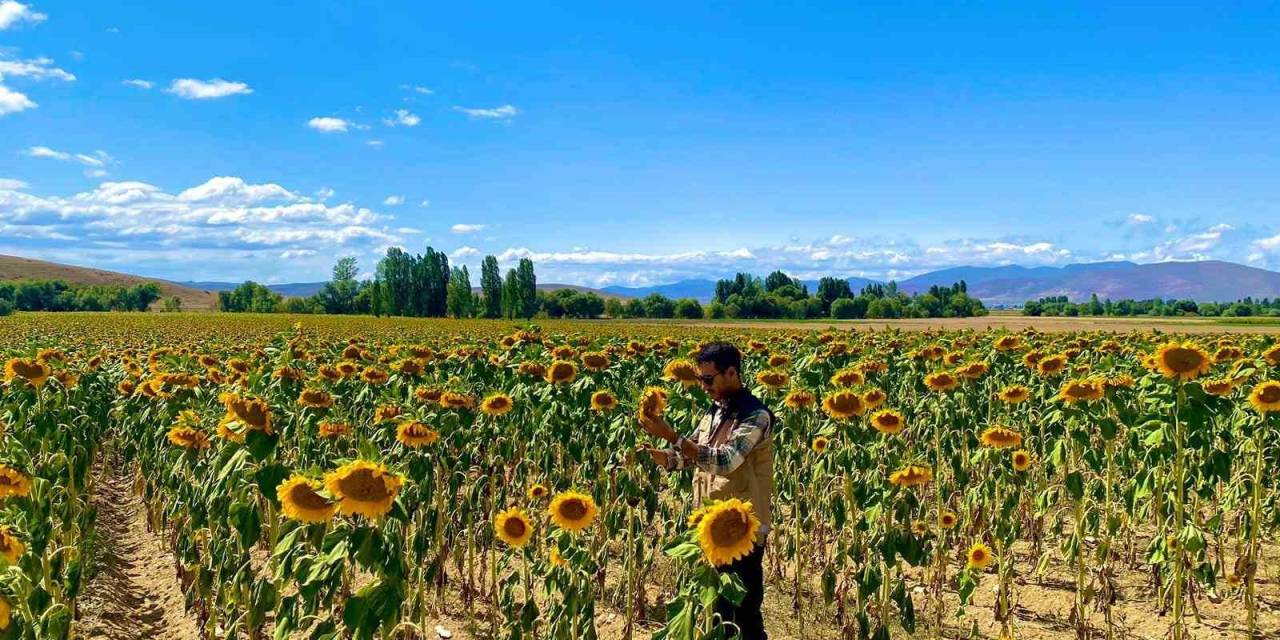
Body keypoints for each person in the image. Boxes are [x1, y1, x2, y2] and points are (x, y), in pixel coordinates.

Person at [637, 341, 774, 640]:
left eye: (708, 379)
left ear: (731, 373)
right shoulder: (714, 412)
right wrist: (668, 458)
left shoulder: (755, 416)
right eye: (701, 379)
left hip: (744, 527)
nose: (703, 386)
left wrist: (672, 435)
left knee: (744, 613)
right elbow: (695, 453)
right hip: (712, 523)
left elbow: (725, 460)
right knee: (716, 608)